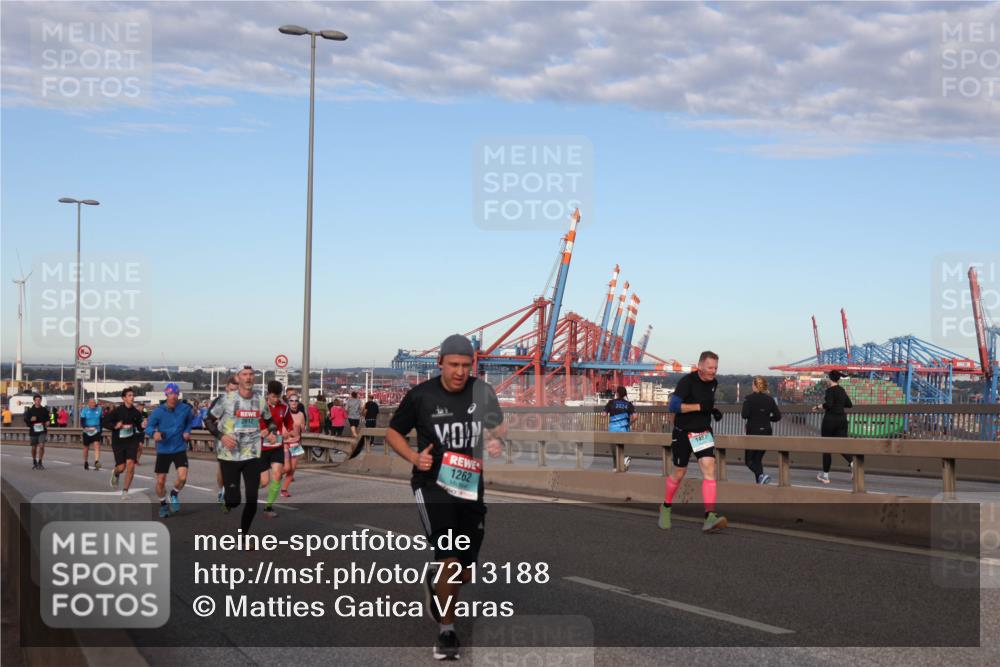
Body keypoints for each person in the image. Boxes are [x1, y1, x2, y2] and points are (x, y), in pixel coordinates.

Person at [386, 334, 506, 661]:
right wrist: (413, 458)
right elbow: (393, 432)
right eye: (453, 364)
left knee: (464, 571)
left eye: (466, 365)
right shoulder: (420, 396)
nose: (460, 371)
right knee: (451, 562)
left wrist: (495, 439)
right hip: (432, 484)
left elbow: (498, 425)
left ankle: (435, 580)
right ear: (440, 363)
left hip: (470, 486)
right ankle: (447, 631)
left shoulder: (482, 392)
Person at [660, 351, 727, 533]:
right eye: (710, 367)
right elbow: (673, 406)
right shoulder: (686, 382)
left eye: (716, 368)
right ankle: (666, 507)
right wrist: (699, 407)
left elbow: (705, 402)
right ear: (700, 366)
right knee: (679, 472)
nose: (713, 371)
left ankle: (709, 517)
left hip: (702, 433)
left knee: (709, 470)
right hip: (683, 432)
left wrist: (712, 410)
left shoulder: (713, 383)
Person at [204, 364, 275, 535]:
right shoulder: (226, 399)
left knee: (252, 500)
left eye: (251, 374)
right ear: (238, 378)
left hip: (251, 454)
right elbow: (208, 420)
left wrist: (268, 430)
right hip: (229, 455)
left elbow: (271, 421)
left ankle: (243, 536)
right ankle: (228, 501)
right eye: (245, 374)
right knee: (235, 500)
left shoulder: (260, 400)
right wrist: (221, 436)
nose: (249, 377)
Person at [145, 384, 193, 518]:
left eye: (175, 394)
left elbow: (189, 422)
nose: (173, 397)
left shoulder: (185, 408)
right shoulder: (158, 411)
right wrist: (153, 433)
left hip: (179, 448)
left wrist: (187, 431)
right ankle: (163, 505)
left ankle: (174, 494)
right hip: (163, 449)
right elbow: (148, 427)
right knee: (160, 481)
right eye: (170, 394)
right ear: (166, 395)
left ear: (178, 395)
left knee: (183, 477)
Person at [104, 387, 147, 498]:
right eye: (129, 395)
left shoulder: (136, 413)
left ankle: (125, 491)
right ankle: (116, 472)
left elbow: (139, 427)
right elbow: (104, 422)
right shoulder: (117, 411)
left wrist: (143, 426)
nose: (132, 397)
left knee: (131, 465)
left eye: (133, 395)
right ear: (124, 398)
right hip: (118, 442)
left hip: (131, 441)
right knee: (122, 467)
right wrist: (115, 426)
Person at [259, 380, 293, 517]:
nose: (275, 399)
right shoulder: (260, 406)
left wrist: (289, 431)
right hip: (261, 448)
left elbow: (289, 422)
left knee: (278, 474)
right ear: (268, 394)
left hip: (277, 446)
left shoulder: (284, 408)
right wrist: (261, 431)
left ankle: (268, 507)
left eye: (278, 396)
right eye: (273, 396)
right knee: (264, 482)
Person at [740, 376, 782, 484]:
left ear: (755, 386)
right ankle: (760, 483)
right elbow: (778, 416)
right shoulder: (770, 399)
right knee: (757, 459)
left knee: (749, 461)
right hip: (767, 432)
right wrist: (768, 418)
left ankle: (761, 476)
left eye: (752, 385)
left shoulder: (748, 399)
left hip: (753, 432)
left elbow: (744, 415)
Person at [815, 370, 854, 484]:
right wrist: (840, 403)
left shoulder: (829, 391)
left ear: (829, 378)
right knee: (840, 445)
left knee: (826, 448)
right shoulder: (842, 390)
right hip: (842, 420)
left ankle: (825, 476)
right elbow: (849, 404)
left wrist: (819, 406)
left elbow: (829, 404)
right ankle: (852, 463)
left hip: (830, 421)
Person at [209, 377, 239, 505]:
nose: (233, 393)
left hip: (239, 438)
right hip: (223, 438)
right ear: (227, 388)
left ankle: (230, 488)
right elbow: (208, 419)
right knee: (223, 466)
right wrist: (218, 433)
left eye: (236, 390)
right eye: (231, 390)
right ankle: (222, 489)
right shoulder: (219, 401)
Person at [604, 385, 635, 471]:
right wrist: (629, 424)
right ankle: (619, 465)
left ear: (617, 393)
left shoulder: (611, 403)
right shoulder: (628, 404)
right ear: (625, 394)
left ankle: (618, 465)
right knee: (620, 447)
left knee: (613, 449)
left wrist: (606, 412)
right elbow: (635, 416)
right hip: (623, 430)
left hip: (613, 429)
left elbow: (604, 415)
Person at [282, 390, 306, 498]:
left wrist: (303, 428)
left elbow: (303, 428)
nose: (294, 402)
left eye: (296, 401)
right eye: (291, 401)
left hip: (296, 443)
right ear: (288, 402)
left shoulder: (301, 414)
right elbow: (281, 428)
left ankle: (284, 489)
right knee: (287, 468)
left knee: (293, 469)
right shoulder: (285, 413)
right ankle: (276, 475)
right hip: (286, 443)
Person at [23, 394, 50, 470]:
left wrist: (48, 422)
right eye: (36, 400)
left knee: (41, 446)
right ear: (34, 401)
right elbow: (26, 420)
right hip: (33, 431)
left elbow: (48, 419)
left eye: (39, 400)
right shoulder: (30, 410)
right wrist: (30, 420)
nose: (38, 401)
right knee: (34, 447)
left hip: (42, 430)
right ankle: (34, 461)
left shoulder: (44, 410)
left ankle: (40, 462)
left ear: (40, 401)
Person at [80, 398, 104, 470]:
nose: (93, 404)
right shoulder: (85, 410)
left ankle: (96, 461)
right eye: (91, 403)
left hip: (96, 430)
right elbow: (82, 421)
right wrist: (85, 427)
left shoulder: (99, 410)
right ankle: (86, 461)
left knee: (97, 445)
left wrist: (101, 429)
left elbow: (101, 420)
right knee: (86, 448)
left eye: (94, 402)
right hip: (87, 430)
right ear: (89, 403)